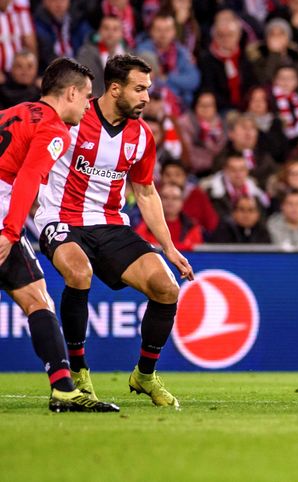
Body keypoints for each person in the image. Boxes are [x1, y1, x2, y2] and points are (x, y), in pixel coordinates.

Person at [35, 55, 195, 410]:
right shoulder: (73, 118)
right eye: (139, 89)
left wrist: (168, 247)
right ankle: (78, 374)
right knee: (79, 273)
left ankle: (145, 374)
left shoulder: (141, 137)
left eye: (149, 90)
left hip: (109, 223)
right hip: (60, 218)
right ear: (115, 88)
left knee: (166, 287)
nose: (146, 98)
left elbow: (147, 192)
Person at [0, 57, 119, 412]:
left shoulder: (12, 112)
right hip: (2, 217)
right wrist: (9, 231)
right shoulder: (54, 129)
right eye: (86, 96)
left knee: (36, 297)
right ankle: (64, 389)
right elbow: (26, 180)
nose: (88, 105)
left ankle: (64, 386)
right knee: (38, 301)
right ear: (70, 92)